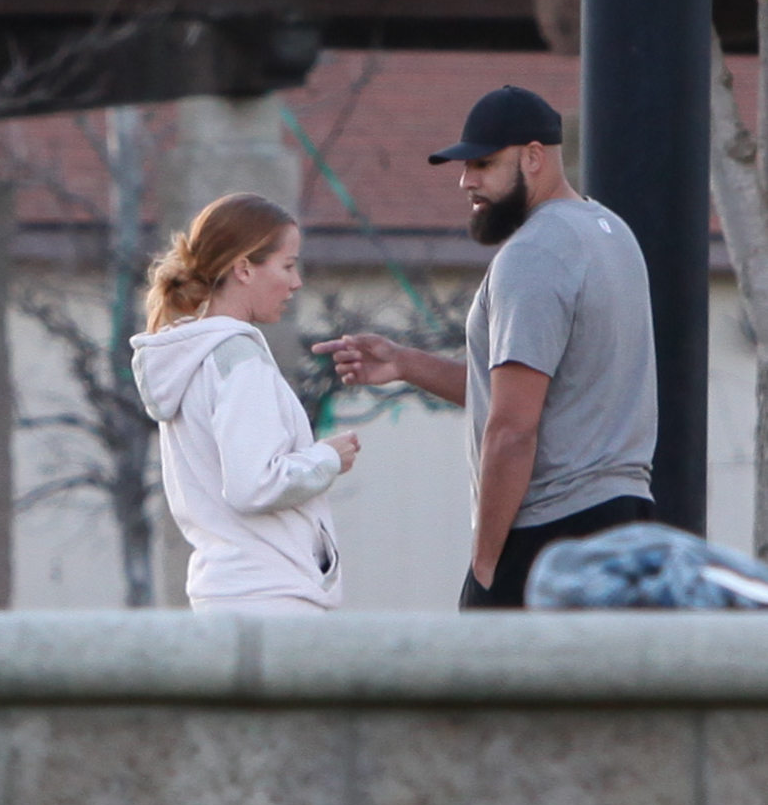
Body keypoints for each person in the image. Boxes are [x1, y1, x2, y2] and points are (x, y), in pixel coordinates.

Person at [314, 85, 657, 608]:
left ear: (534, 157)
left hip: (551, 536)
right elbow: (533, 392)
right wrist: (405, 362)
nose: (465, 181)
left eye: (484, 164)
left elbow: (513, 428)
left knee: (499, 689)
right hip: (626, 527)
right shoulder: (611, 233)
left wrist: (486, 563)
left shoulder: (535, 252)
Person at [131, 192, 360, 615]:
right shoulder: (239, 360)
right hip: (272, 598)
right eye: (288, 265)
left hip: (222, 593)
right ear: (244, 269)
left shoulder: (189, 357)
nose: (297, 282)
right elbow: (253, 483)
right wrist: (326, 457)